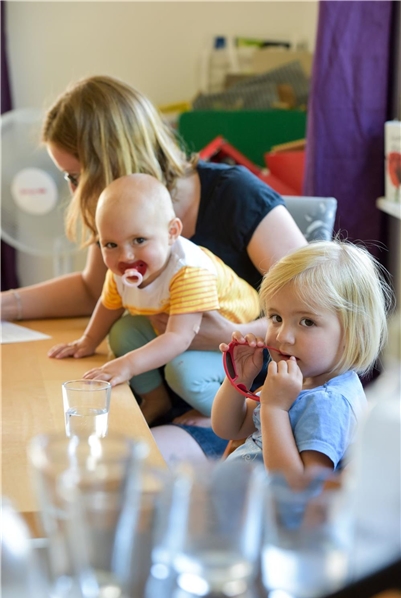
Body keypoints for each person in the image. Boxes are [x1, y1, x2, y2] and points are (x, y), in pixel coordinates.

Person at [0, 75, 306, 457]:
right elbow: (93, 290)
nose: (74, 192)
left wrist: (232, 333)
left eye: (76, 176)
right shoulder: (122, 221)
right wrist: (6, 304)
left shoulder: (236, 196)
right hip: (155, 392)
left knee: (111, 463)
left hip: (236, 401)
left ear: (110, 163)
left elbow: (315, 310)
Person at [48, 173, 261, 425]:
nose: (125, 255)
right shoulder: (120, 270)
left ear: (172, 232)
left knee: (183, 373)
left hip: (228, 343)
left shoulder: (189, 271)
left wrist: (127, 365)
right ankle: (156, 399)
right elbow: (109, 306)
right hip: (179, 327)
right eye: (110, 244)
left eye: (139, 240)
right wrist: (88, 341)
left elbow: (178, 338)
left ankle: (229, 416)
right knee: (121, 332)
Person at [211, 240, 392, 475]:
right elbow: (228, 428)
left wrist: (275, 409)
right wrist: (239, 380)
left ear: (354, 333)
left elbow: (299, 490)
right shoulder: (297, 379)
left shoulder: (328, 404)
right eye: (276, 318)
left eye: (307, 322)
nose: (283, 336)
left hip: (266, 510)